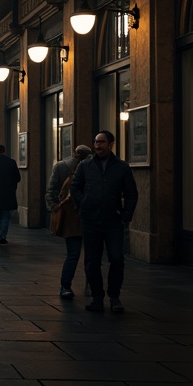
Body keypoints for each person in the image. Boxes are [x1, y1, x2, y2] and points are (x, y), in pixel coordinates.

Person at [71, 129, 138, 312]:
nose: (98, 146)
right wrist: (83, 203)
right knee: (92, 261)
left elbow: (131, 193)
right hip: (90, 220)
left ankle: (114, 296)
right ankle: (97, 297)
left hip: (113, 221)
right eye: (96, 142)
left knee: (116, 258)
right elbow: (75, 187)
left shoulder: (121, 167)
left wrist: (125, 215)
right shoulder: (85, 166)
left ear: (110, 144)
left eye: (101, 142)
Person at [46, 144, 92, 298]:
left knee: (72, 254)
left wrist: (54, 206)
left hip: (71, 217)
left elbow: (51, 189)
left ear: (74, 153)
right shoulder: (91, 167)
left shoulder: (60, 167)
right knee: (91, 255)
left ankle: (65, 287)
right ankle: (90, 286)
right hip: (89, 216)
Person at [0, 143, 21, 244]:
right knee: (6, 215)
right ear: (4, 151)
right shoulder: (11, 162)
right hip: (9, 193)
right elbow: (18, 178)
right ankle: (2, 235)